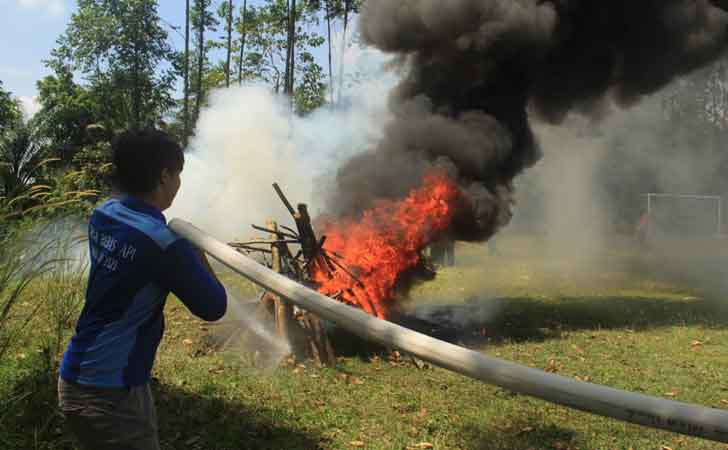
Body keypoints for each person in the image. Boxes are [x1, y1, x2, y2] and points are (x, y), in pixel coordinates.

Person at [57, 129, 228, 450]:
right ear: (164, 176)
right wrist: (198, 253)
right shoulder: (163, 244)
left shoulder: (103, 214)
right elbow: (214, 306)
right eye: (177, 175)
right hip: (110, 393)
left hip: (77, 376)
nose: (179, 184)